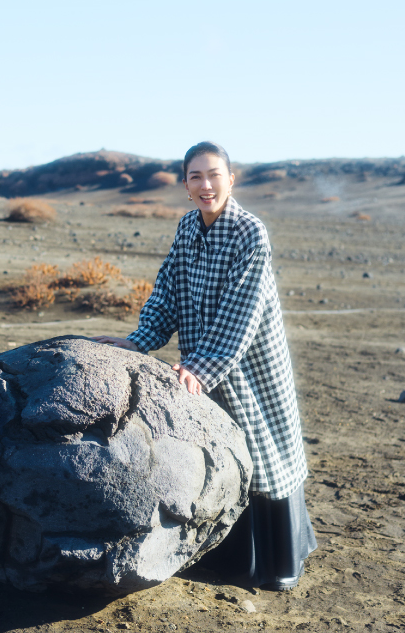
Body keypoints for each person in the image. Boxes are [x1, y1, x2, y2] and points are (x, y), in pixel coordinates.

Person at [93, 141, 316, 590]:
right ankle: (228, 558)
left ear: (231, 180)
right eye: (196, 177)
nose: (206, 184)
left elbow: (242, 310)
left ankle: (277, 563)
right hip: (201, 359)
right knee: (221, 450)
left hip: (249, 362)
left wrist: (203, 366)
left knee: (265, 450)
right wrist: (139, 342)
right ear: (185, 185)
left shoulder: (250, 232)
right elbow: (167, 294)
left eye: (214, 175)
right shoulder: (187, 228)